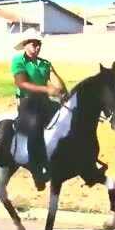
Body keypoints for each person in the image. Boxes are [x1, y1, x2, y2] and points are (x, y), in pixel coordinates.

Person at [11, 29, 67, 191]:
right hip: (27, 102)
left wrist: (61, 88)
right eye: (33, 44)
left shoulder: (45, 63)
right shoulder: (18, 61)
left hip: (43, 101)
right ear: (25, 45)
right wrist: (46, 90)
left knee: (66, 117)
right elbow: (21, 83)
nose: (37, 47)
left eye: (38, 44)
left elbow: (58, 84)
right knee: (35, 125)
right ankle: (36, 170)